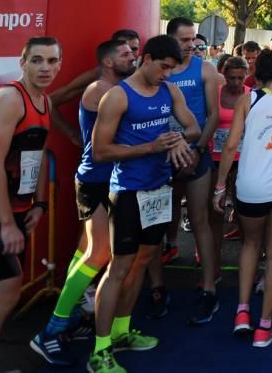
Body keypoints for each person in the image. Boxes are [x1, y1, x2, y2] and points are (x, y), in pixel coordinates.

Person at [88, 34, 201, 373]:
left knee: (143, 261)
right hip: (127, 192)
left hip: (158, 190)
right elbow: (100, 151)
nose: (167, 74)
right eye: (164, 67)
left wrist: (177, 138)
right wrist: (151, 147)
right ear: (146, 58)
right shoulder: (117, 96)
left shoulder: (170, 91)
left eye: (172, 69)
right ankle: (100, 350)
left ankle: (122, 332)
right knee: (118, 269)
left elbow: (193, 127)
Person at [0, 37, 60, 373]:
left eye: (51, 60)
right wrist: (5, 223)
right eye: (37, 60)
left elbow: (39, 153)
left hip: (14, 212)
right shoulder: (8, 99)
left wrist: (40, 204)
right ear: (23, 62)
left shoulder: (42, 101)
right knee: (2, 296)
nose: (45, 67)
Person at [32, 39, 134, 366]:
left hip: (111, 179)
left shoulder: (119, 87)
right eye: (126, 53)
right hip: (94, 180)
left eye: (134, 52)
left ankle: (70, 314)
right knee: (99, 252)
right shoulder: (100, 89)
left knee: (85, 251)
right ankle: (49, 330)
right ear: (107, 62)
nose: (132, 56)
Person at [213, 49, 272, 348]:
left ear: (257, 75)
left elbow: (230, 146)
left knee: (251, 244)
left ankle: (242, 312)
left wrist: (219, 187)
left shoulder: (247, 100)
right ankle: (265, 327)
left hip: (251, 185)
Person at [160, 17, 224, 325]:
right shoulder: (160, 70)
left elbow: (213, 114)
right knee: (156, 224)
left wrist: (198, 150)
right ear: (171, 39)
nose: (190, 45)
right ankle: (157, 288)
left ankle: (209, 288)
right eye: (184, 40)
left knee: (201, 222)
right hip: (161, 158)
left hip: (197, 157)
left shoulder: (206, 69)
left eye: (193, 39)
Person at [209, 57, 249, 249]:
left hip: (243, 159)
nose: (236, 83)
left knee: (243, 210)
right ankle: (210, 253)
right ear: (223, 75)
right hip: (216, 157)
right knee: (216, 209)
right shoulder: (214, 94)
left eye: (241, 78)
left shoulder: (251, 95)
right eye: (232, 78)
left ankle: (250, 251)